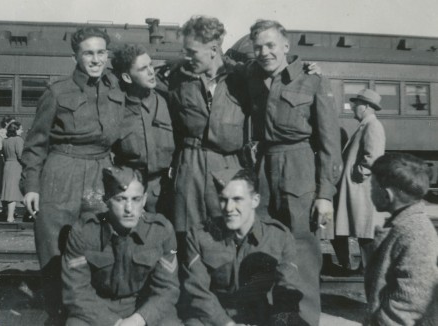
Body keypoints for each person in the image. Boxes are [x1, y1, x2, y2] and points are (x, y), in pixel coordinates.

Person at [21, 27, 124, 323]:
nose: (95, 59)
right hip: (61, 173)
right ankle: (57, 316)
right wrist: (31, 186)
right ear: (76, 55)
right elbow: (35, 144)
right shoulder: (57, 91)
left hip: (101, 174)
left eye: (101, 52)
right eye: (88, 53)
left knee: (99, 246)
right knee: (55, 249)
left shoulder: (116, 90)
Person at [246, 20, 342, 325]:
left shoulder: (311, 79)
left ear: (286, 46)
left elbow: (330, 142)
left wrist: (325, 194)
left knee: (302, 254)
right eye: (258, 46)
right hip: (263, 169)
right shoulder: (251, 77)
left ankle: (304, 320)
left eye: (271, 45)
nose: (264, 52)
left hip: (298, 170)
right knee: (262, 248)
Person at [181, 168, 306, 326]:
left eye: (237, 199)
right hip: (211, 317)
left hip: (257, 316)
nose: (228, 208)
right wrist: (226, 323)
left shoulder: (278, 236)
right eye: (223, 199)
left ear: (255, 200)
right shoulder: (200, 236)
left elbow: (288, 289)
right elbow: (197, 292)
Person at [62, 166, 180, 326]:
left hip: (142, 309)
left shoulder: (160, 231)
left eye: (136, 199)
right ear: (106, 200)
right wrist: (114, 322)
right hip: (97, 311)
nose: (129, 209)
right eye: (120, 199)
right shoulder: (85, 232)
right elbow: (76, 292)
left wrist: (139, 320)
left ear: (144, 199)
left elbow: (167, 290)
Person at [167, 16, 249, 246]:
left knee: (229, 232)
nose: (186, 57)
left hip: (229, 165)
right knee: (188, 234)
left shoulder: (242, 78)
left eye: (192, 52)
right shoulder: (176, 79)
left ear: (214, 49)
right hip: (190, 165)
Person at [365, 153, 438, 325]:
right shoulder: (403, 224)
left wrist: (382, 321)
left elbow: (413, 300)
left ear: (386, 194)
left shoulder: (415, 232)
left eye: (372, 186)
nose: (369, 191)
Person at [111, 44, 175, 217]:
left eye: (151, 66)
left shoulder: (167, 102)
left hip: (164, 194)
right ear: (127, 77)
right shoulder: (115, 108)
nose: (151, 72)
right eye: (143, 69)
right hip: (128, 195)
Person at [330, 89, 387, 271]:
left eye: (357, 104)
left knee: (364, 230)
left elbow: (373, 157)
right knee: (357, 228)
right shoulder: (365, 125)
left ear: (366, 107)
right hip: (356, 188)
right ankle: (359, 266)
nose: (353, 107)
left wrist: (357, 174)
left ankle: (367, 268)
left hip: (359, 188)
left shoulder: (373, 126)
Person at [1, 121, 24, 223]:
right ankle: (10, 217)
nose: (22, 130)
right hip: (16, 166)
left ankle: (8, 214)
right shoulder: (18, 140)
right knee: (13, 193)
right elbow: (21, 155)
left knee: (8, 192)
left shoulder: (5, 140)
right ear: (16, 129)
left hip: (7, 165)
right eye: (20, 129)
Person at [0, 115, 16, 215]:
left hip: (12, 159)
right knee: (4, 185)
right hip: (3, 160)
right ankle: (5, 209)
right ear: (6, 123)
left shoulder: (14, 132)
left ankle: (11, 210)